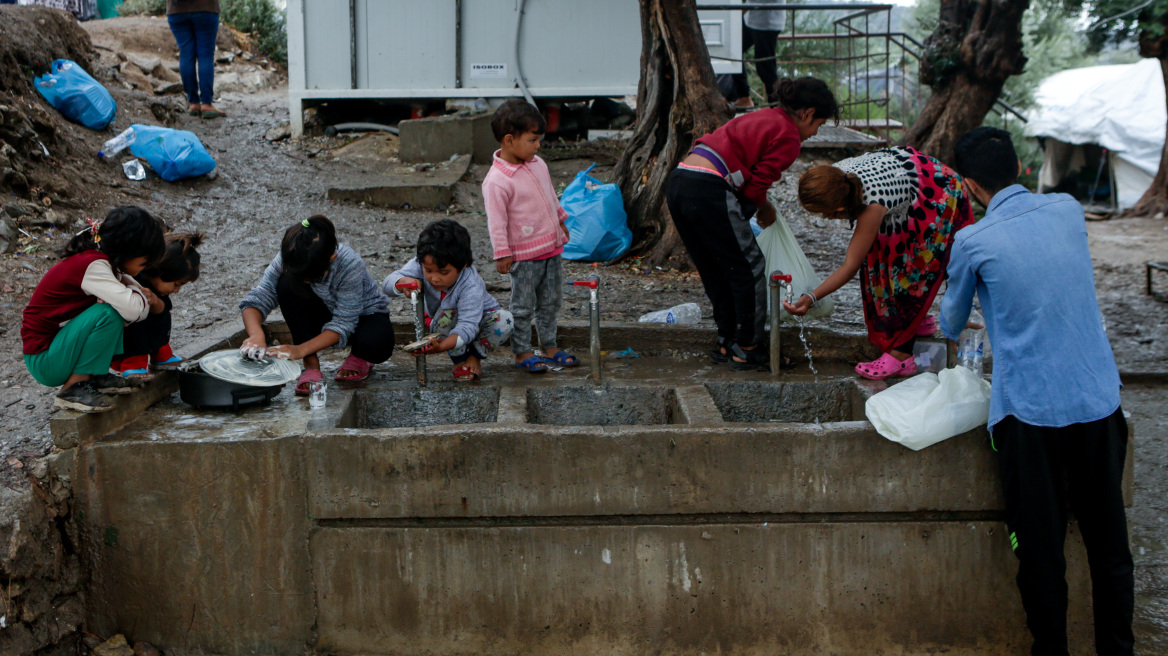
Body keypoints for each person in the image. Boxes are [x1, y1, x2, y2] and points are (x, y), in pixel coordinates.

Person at [941, 127, 1132, 656]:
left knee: (1042, 553)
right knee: (1109, 546)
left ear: (970, 185)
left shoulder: (972, 241)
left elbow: (951, 322)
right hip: (1097, 400)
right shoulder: (1068, 209)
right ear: (1021, 169)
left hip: (1030, 416)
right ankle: (1119, 648)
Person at [667, 76, 837, 370]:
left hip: (681, 180)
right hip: (709, 188)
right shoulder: (789, 136)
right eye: (818, 125)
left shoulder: (763, 116)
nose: (814, 133)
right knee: (750, 268)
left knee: (716, 267)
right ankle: (748, 347)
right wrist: (764, 208)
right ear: (808, 113)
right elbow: (756, 188)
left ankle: (727, 339)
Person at [789, 146, 974, 379]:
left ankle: (901, 356)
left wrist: (811, 297)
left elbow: (850, 265)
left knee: (910, 272)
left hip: (937, 191)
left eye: (827, 215)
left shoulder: (872, 204)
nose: (827, 219)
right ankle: (917, 321)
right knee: (879, 259)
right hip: (907, 181)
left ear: (838, 210)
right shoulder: (837, 179)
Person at [21, 206, 166, 413]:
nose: (144, 270)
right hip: (44, 359)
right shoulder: (94, 265)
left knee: (113, 309)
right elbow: (134, 310)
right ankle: (73, 387)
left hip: (57, 351)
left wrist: (133, 290)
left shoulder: (105, 264)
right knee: (108, 313)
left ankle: (95, 375)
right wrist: (137, 292)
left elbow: (137, 309)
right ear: (128, 252)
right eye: (143, 263)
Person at [239, 216, 394, 395]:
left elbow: (344, 321)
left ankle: (359, 357)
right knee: (285, 285)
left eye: (312, 277)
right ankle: (310, 364)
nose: (306, 281)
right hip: (320, 314)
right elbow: (258, 297)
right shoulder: (290, 256)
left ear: (332, 258)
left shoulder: (349, 263)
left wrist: (299, 349)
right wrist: (256, 336)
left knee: (377, 342)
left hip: (361, 317)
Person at [483, 99, 578, 374]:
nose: (538, 146)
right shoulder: (497, 181)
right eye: (533, 140)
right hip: (523, 257)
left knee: (550, 301)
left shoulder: (537, 164)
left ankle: (549, 346)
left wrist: (560, 220)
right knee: (523, 306)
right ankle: (522, 351)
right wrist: (502, 253)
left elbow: (549, 195)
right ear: (510, 140)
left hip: (550, 249)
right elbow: (496, 222)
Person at [383, 219, 514, 383]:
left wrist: (440, 347)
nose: (434, 278)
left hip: (478, 322)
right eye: (428, 271)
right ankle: (459, 361)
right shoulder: (420, 263)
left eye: (444, 272)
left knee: (504, 320)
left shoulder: (471, 284)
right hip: (444, 323)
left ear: (463, 266)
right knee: (447, 317)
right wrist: (402, 282)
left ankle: (474, 357)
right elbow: (387, 284)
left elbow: (467, 326)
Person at [111, 232, 204, 381]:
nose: (176, 290)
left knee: (163, 315)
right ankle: (133, 362)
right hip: (128, 336)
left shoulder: (158, 288)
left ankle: (161, 354)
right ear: (161, 272)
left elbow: (162, 310)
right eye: (176, 284)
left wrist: (156, 303)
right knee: (139, 319)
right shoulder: (134, 278)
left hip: (148, 326)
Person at [167, 0, 225, 119]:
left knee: (186, 54)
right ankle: (206, 104)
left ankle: (194, 103)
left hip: (176, 10)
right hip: (206, 8)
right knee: (205, 55)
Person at [728, 0, 786, 107]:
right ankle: (744, 97)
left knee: (765, 68)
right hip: (750, 18)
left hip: (766, 21)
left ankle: (778, 108)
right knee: (732, 50)